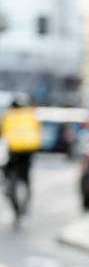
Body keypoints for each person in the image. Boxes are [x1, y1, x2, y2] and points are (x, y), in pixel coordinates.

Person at [1, 95, 41, 224]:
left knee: (9, 174)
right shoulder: (31, 115)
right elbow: (38, 132)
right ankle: (26, 202)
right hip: (28, 153)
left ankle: (11, 192)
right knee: (26, 178)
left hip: (13, 153)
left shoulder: (8, 116)